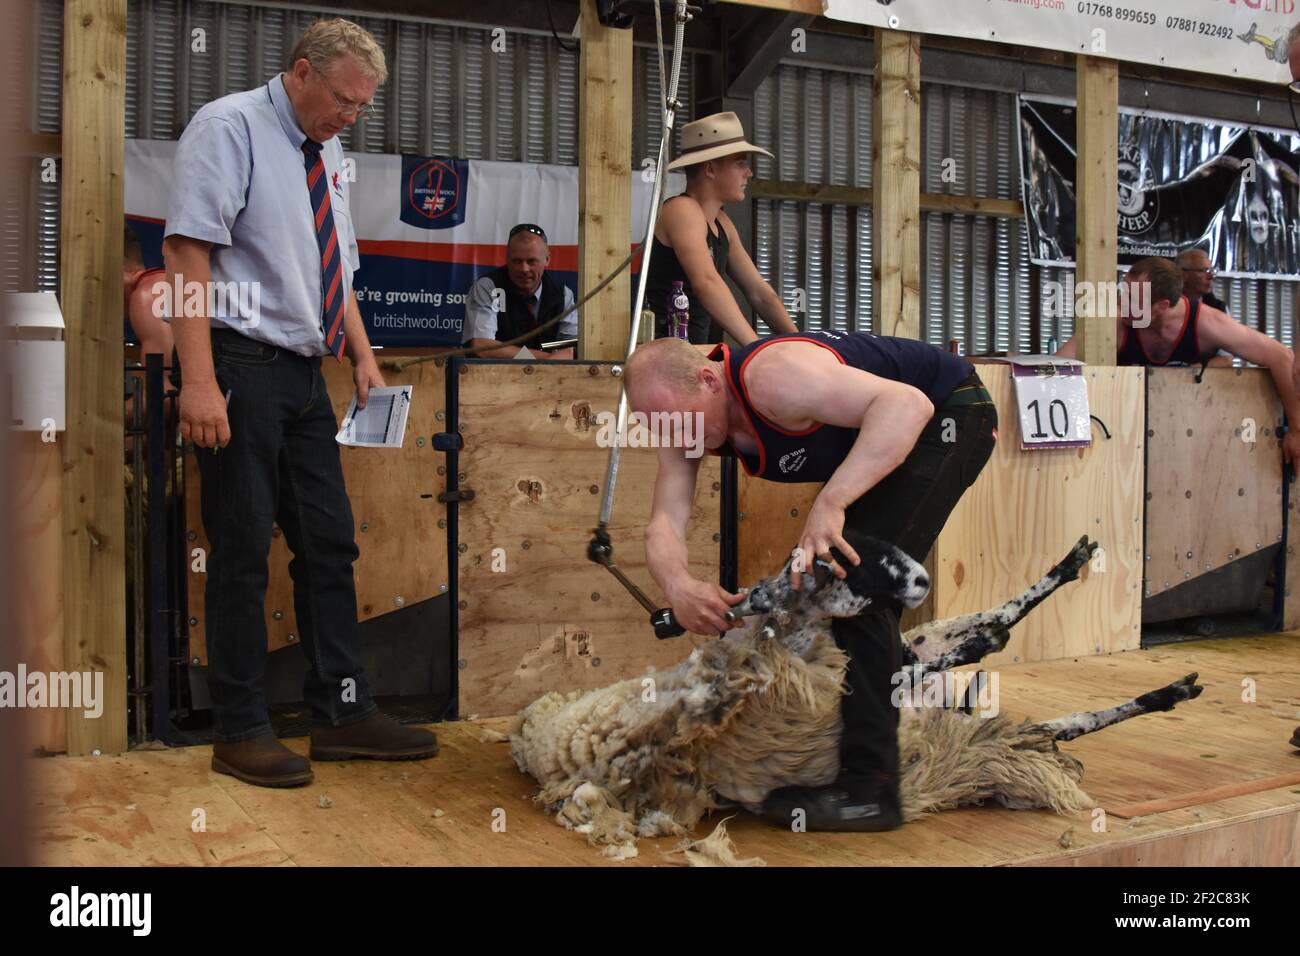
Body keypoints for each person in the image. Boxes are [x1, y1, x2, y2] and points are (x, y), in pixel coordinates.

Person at [163, 18, 438, 788]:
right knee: (243, 549)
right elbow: (186, 252)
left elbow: (336, 269)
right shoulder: (229, 127)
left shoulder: (329, 151)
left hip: (304, 374)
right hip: (236, 366)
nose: (350, 116)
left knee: (329, 544)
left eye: (362, 107)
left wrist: (363, 358)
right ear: (302, 72)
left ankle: (343, 711)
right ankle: (240, 728)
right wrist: (199, 380)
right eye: (343, 100)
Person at [625, 331, 996, 831]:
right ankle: (858, 742)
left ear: (709, 378)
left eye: (677, 421)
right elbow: (663, 524)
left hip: (949, 412)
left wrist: (832, 502)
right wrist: (679, 587)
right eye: (660, 427)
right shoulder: (686, 423)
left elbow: (905, 405)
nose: (675, 436)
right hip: (891, 430)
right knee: (836, 582)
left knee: (854, 584)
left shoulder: (774, 378)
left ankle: (872, 791)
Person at [1056, 257, 1300, 472]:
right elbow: (1055, 365)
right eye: (1124, 292)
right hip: (1124, 440)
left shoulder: (1207, 323)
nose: (1121, 302)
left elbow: (1282, 357)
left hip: (1191, 443)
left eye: (1133, 299)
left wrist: (1296, 430)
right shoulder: (1114, 321)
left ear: (1161, 306)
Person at [647, 111, 799, 344]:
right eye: (740, 163)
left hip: (694, 354)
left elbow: (760, 293)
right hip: (665, 356)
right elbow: (707, 283)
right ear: (710, 169)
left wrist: (804, 344)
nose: (749, 172)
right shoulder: (682, 209)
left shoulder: (723, 223)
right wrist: (756, 349)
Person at [461, 223, 576, 359]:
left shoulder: (563, 295)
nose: (524, 269)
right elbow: (482, 346)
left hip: (548, 377)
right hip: (493, 376)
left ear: (547, 259)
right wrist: (542, 360)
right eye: (517, 261)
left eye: (531, 261)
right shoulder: (489, 287)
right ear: (507, 259)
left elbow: (570, 349)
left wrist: (543, 364)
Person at [1175, 248, 1231, 367]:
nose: (1211, 276)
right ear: (1182, 274)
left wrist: (1194, 370)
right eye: (1204, 270)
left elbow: (1226, 359)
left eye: (1212, 270)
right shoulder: (1162, 304)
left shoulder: (1218, 308)